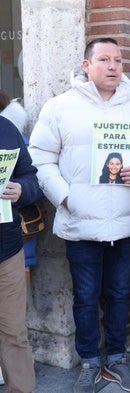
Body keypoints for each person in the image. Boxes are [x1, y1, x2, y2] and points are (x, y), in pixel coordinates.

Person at [29, 37, 130, 393]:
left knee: (120, 294)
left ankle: (117, 360)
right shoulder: (59, 107)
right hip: (79, 222)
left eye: (118, 60)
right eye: (104, 59)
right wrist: (66, 196)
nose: (113, 66)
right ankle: (90, 362)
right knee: (86, 298)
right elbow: (40, 158)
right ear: (86, 65)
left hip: (124, 222)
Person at [0, 116, 41, 393]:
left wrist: (22, 189)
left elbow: (31, 176)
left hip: (7, 250)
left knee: (14, 333)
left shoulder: (5, 128)